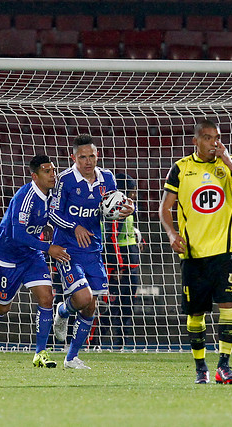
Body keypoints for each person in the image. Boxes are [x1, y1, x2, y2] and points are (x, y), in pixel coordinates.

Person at [159, 119, 232, 384]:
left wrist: (228, 161)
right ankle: (200, 368)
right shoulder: (180, 169)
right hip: (193, 254)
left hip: (224, 252)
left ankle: (224, 365)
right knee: (196, 314)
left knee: (228, 305)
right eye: (207, 137)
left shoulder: (228, 166)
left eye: (217, 137)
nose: (213, 142)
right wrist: (171, 233)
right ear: (196, 141)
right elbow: (164, 208)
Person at [0, 155, 70, 368]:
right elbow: (18, 234)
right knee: (2, 307)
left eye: (53, 169)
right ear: (35, 176)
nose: (53, 174)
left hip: (31, 256)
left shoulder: (51, 195)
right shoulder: (25, 197)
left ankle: (40, 353)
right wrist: (49, 247)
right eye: (47, 171)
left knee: (46, 298)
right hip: (7, 258)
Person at [51, 134, 134, 369]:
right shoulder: (64, 180)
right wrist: (73, 226)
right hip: (67, 250)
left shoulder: (107, 178)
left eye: (92, 156)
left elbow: (115, 204)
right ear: (73, 157)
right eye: (82, 157)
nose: (88, 161)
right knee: (84, 298)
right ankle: (63, 310)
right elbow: (52, 213)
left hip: (94, 249)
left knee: (90, 306)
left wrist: (128, 208)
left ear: (98, 155)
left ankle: (71, 358)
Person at [101, 173, 144, 347]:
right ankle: (105, 341)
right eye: (133, 190)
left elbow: (127, 230)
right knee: (115, 305)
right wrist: (117, 266)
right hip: (122, 265)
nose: (135, 194)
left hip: (130, 262)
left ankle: (123, 342)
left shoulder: (127, 206)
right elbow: (111, 236)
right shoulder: (116, 205)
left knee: (127, 305)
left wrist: (139, 240)